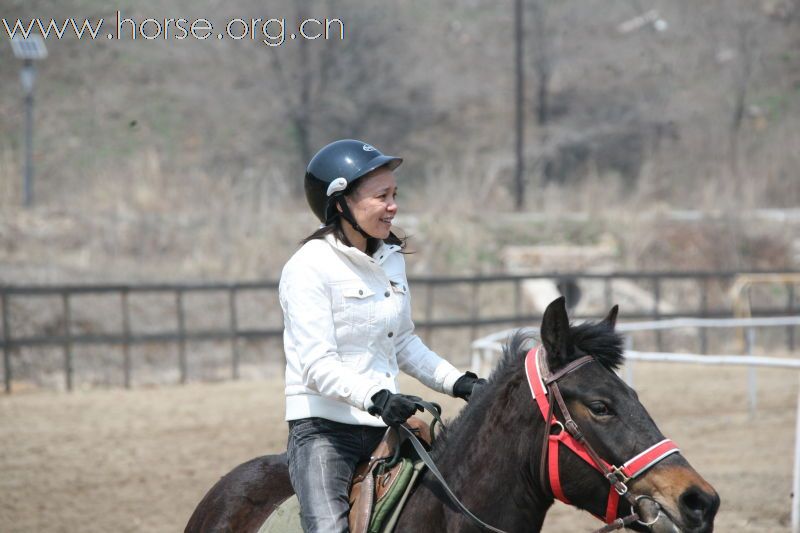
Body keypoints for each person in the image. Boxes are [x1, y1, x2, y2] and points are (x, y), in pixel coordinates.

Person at [280, 139, 486, 533]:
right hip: (324, 431)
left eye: (395, 195)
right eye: (381, 196)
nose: (393, 206)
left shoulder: (389, 259)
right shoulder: (307, 267)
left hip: (387, 425)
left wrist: (460, 382)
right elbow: (316, 365)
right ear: (340, 203)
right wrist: (377, 398)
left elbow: (403, 341)